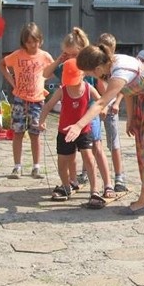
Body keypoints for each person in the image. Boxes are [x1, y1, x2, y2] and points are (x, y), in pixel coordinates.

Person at [65, 43, 144, 215]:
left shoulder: (119, 71)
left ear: (97, 68)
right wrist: (131, 117)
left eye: (88, 73)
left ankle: (143, 202)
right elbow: (128, 91)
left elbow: (102, 102)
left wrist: (79, 125)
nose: (88, 76)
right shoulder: (111, 64)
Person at [40, 60, 103, 206]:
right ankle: (66, 186)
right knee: (63, 161)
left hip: (83, 130)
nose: (71, 83)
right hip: (65, 132)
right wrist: (41, 120)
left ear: (82, 74)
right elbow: (48, 105)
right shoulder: (62, 90)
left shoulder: (88, 88)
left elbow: (101, 101)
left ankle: (95, 190)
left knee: (88, 157)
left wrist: (105, 109)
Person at [0, 22, 54, 179]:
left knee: (35, 134)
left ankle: (36, 166)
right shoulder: (17, 55)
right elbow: (2, 64)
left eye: (35, 41)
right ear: (24, 42)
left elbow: (52, 70)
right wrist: (12, 81)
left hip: (37, 100)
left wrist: (42, 80)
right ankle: (17, 166)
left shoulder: (44, 56)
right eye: (29, 42)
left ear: (40, 40)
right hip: (19, 99)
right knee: (18, 133)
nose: (32, 45)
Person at [43, 28, 91, 189]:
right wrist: (59, 60)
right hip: (70, 116)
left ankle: (89, 176)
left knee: (91, 148)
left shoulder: (88, 66)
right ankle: (72, 180)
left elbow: (99, 91)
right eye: (67, 54)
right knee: (69, 154)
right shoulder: (66, 66)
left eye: (74, 54)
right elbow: (45, 74)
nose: (71, 58)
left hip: (88, 114)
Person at [98, 33, 128, 193]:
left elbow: (124, 87)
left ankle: (119, 176)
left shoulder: (117, 65)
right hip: (97, 106)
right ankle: (84, 173)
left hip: (110, 108)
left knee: (114, 143)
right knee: (92, 142)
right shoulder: (97, 64)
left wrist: (116, 103)